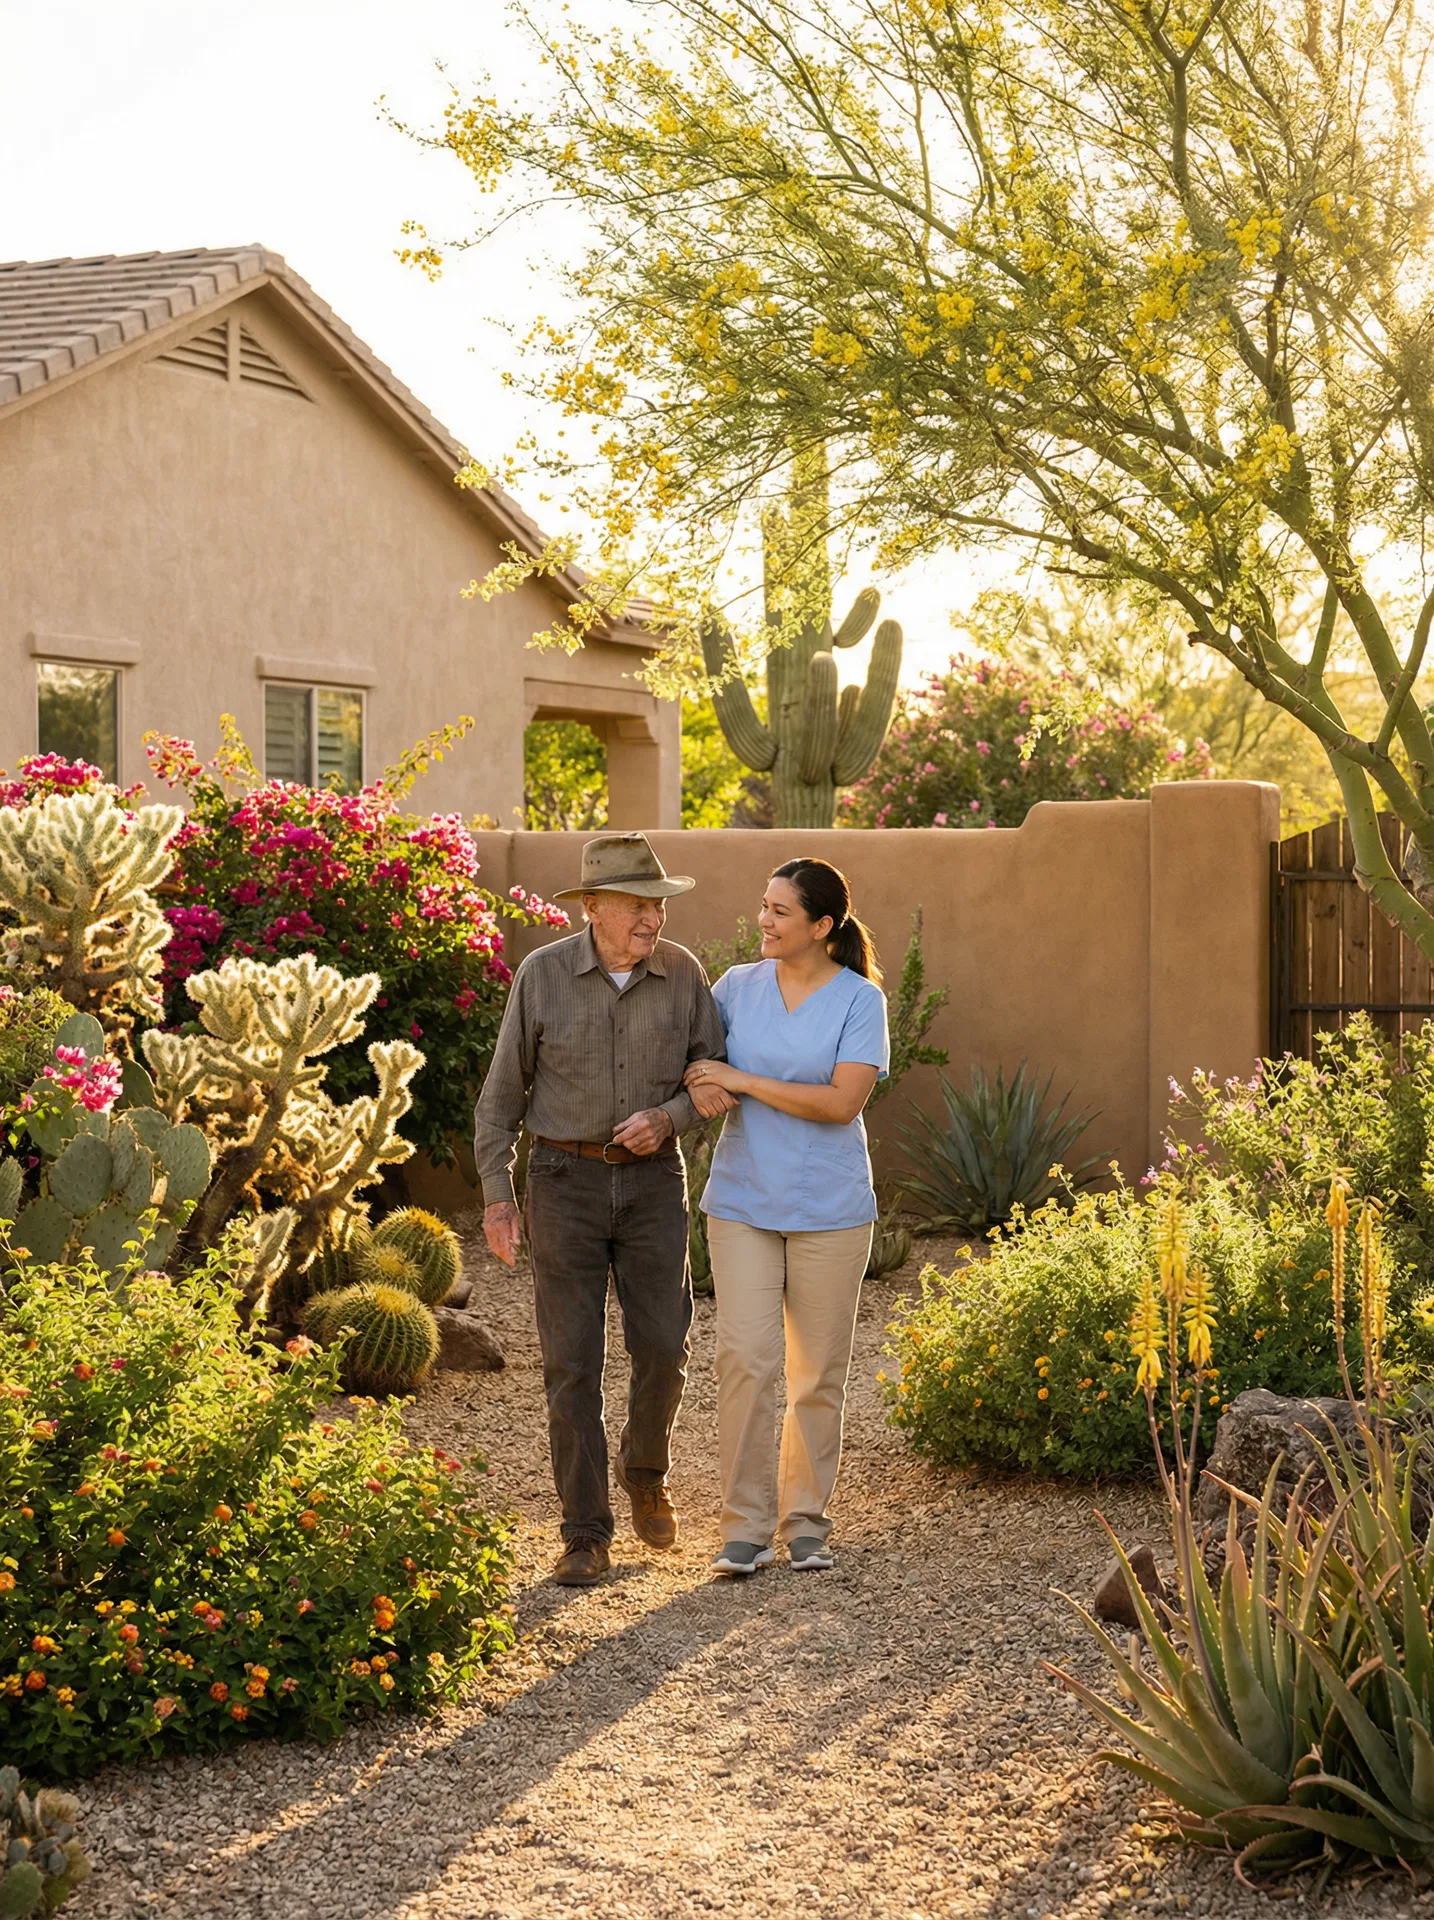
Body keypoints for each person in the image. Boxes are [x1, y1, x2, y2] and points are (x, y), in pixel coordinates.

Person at [473, 832, 734, 1588]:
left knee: (664, 1343)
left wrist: (671, 1118)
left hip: (653, 1182)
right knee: (571, 1364)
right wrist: (498, 1194)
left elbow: (714, 1078)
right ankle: (585, 1531)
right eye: (636, 905)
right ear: (592, 908)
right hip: (564, 1181)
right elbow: (501, 1097)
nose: (652, 918)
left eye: (658, 904)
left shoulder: (683, 974)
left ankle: (645, 1470)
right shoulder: (543, 975)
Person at [683, 857, 889, 1577]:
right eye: (762, 905)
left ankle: (805, 1523)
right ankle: (743, 1526)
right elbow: (697, 1064)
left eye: (779, 911)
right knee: (746, 1359)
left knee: (816, 1373)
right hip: (742, 1201)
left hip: (831, 1210)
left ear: (822, 927)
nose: (763, 921)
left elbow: (842, 1104)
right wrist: (705, 1080)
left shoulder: (860, 1002)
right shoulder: (735, 987)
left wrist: (741, 1079)